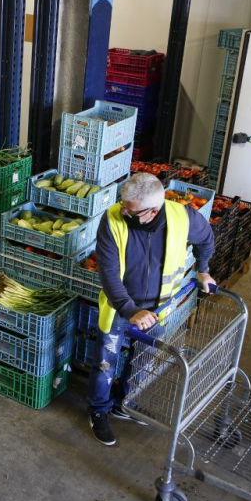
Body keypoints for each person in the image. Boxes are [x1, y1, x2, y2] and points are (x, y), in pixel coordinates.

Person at [88, 173, 216, 446]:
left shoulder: (184, 218)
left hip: (158, 310)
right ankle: (99, 410)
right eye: (123, 204)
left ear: (152, 211)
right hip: (119, 308)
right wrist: (129, 309)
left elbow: (206, 238)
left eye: (129, 209)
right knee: (105, 362)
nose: (123, 211)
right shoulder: (112, 220)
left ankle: (125, 403)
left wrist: (204, 270)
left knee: (143, 361)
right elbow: (108, 271)